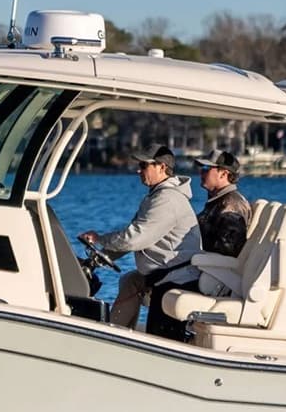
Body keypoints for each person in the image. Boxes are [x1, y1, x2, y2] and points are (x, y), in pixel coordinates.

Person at [78, 145, 202, 339]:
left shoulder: (167, 200)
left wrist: (100, 239)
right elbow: (133, 237)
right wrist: (97, 260)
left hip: (176, 279)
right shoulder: (157, 196)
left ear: (162, 167)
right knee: (130, 281)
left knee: (160, 335)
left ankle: (113, 339)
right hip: (163, 273)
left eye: (144, 165)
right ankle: (115, 334)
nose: (138, 170)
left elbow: (134, 238)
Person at [193, 149, 252, 258]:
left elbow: (229, 248)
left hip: (207, 263)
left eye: (206, 168)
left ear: (223, 174)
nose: (201, 172)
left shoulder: (232, 205)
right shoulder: (219, 200)